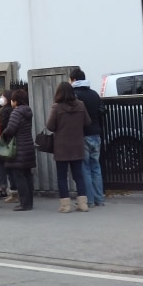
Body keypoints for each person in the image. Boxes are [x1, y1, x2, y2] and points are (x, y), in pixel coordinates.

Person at [46, 81, 91, 213]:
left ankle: (65, 206)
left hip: (61, 146)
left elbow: (50, 126)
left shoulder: (57, 107)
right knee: (79, 176)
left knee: (62, 177)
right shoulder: (81, 105)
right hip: (77, 144)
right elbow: (87, 122)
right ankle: (83, 204)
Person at [70, 68, 105, 207]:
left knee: (85, 168)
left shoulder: (75, 95)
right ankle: (99, 199)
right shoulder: (94, 94)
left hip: (83, 134)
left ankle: (88, 200)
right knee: (96, 167)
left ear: (73, 80)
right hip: (96, 134)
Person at [0, 88, 35, 211]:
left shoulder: (16, 112)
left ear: (15, 101)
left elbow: (11, 129)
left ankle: (24, 203)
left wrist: (4, 135)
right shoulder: (27, 111)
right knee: (27, 175)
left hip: (19, 147)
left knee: (20, 176)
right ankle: (29, 202)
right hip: (28, 146)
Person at [0, 89, 15, 201]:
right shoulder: (12, 110)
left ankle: (7, 189)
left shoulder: (5, 111)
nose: (1, 98)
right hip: (9, 142)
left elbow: (2, 127)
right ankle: (11, 190)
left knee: (5, 167)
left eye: (2, 96)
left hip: (4, 143)